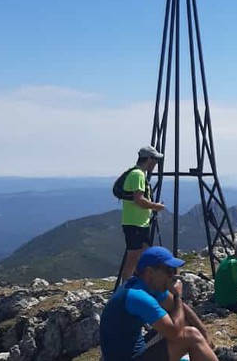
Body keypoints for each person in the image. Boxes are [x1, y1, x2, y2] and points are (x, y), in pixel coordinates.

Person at [100, 246, 217, 361]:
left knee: (184, 321)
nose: (172, 276)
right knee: (191, 336)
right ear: (149, 272)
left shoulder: (147, 285)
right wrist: (177, 296)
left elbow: (181, 310)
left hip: (132, 351)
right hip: (126, 357)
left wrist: (205, 335)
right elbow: (176, 334)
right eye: (168, 271)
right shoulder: (138, 297)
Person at [119, 146, 166, 282]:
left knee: (146, 255)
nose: (156, 164)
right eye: (155, 160)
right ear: (149, 159)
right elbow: (139, 200)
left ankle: (144, 282)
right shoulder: (138, 175)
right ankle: (125, 288)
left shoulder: (136, 173)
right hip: (135, 223)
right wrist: (156, 206)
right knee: (133, 258)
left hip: (138, 222)